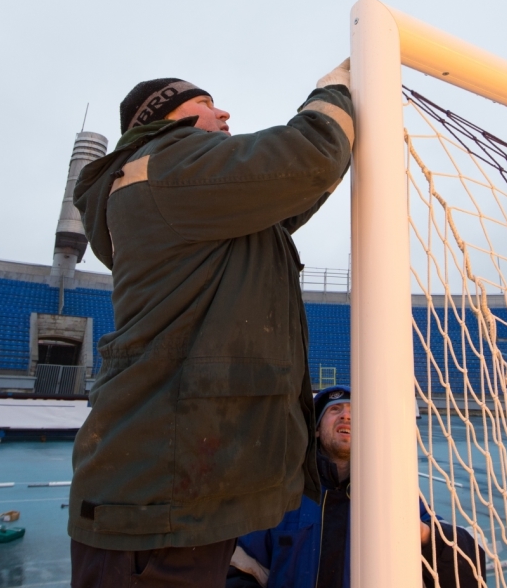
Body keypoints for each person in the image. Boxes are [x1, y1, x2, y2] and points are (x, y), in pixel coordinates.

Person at [68, 62, 355, 587]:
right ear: (163, 121)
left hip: (169, 493)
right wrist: (334, 93)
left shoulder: (177, 190)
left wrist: (345, 137)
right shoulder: (166, 160)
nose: (224, 112)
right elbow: (305, 161)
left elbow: (288, 197)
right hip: (160, 501)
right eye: (205, 104)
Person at [227, 386, 486, 588]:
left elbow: (465, 566)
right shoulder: (283, 494)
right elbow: (240, 569)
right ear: (316, 430)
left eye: (354, 410)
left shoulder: (396, 493)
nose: (346, 415)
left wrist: (424, 536)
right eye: (335, 409)